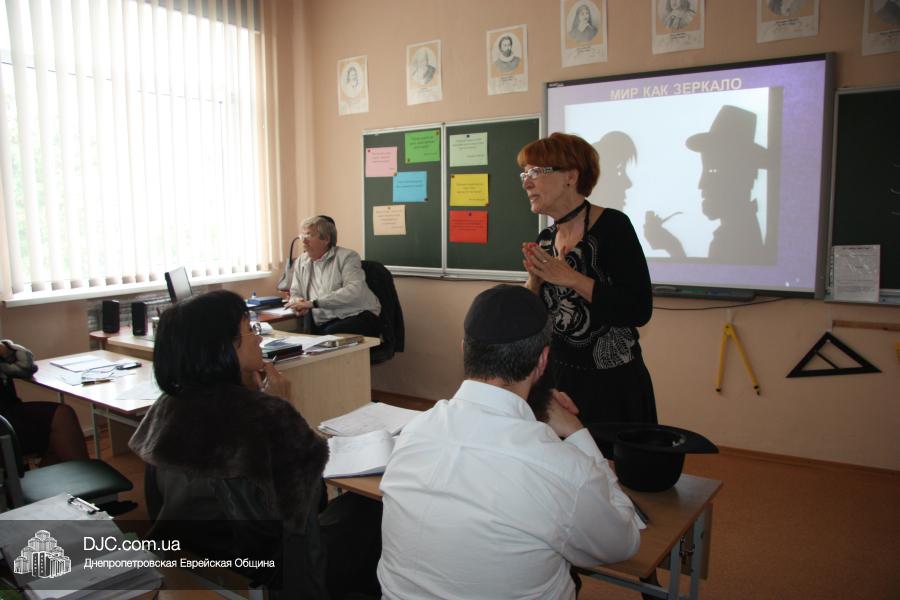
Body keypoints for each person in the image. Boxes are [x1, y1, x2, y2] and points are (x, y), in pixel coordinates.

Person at [378, 284, 642, 600]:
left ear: (464, 349)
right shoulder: (562, 469)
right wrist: (576, 433)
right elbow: (623, 541)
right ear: (542, 361)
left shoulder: (413, 433)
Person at [129, 290, 382, 598]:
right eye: (249, 330)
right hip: (276, 570)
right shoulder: (267, 415)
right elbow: (311, 502)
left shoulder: (166, 406)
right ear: (223, 348)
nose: (259, 338)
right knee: (370, 507)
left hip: (195, 561)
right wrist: (281, 407)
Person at [519, 132, 657, 431]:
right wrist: (534, 283)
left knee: (611, 459)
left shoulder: (613, 226)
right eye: (524, 174)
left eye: (536, 172)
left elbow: (638, 310)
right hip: (559, 379)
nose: (527, 182)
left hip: (613, 384)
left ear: (571, 177)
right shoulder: (545, 240)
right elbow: (535, 317)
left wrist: (570, 278)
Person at [685, 105, 769, 264]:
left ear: (742, 176)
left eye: (713, 171)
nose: (701, 185)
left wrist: (672, 247)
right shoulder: (739, 230)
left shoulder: (738, 238)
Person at [286, 215, 382, 337]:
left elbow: (354, 290)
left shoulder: (347, 257)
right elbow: (295, 292)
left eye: (309, 235)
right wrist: (297, 302)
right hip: (324, 322)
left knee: (327, 337)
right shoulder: (301, 261)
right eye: (303, 236)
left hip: (355, 315)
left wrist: (313, 303)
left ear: (326, 239)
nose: (304, 241)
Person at [1, 339, 88, 465]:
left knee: (62, 415)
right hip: (3, 421)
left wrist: (6, 350)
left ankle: (78, 473)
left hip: (10, 410)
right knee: (57, 430)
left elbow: (27, 368)